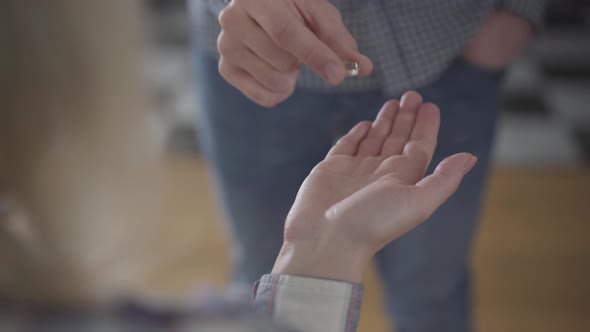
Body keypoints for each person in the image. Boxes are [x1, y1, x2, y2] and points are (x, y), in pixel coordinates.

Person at [0, 1, 474, 331]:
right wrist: (319, 256)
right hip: (248, 75)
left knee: (431, 291)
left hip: (449, 51)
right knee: (255, 262)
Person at [190, 0, 547, 330]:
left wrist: (519, 9)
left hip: (448, 50)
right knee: (257, 274)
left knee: (430, 291)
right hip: (257, 54)